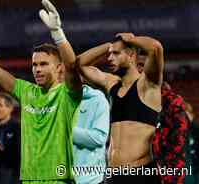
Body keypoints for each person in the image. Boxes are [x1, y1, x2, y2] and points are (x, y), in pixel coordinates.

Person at [0, 0, 83, 183]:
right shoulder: (26, 91)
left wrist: (58, 34)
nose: (37, 69)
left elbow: (73, 67)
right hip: (27, 180)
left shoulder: (68, 94)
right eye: (34, 65)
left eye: (43, 64)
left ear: (59, 68)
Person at [77, 33, 164, 183]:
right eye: (109, 54)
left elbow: (155, 48)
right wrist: (108, 46)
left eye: (116, 53)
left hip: (140, 174)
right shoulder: (112, 84)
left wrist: (131, 40)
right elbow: (79, 64)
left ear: (131, 55)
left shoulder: (148, 84)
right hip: (112, 175)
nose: (109, 58)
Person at [138, 52, 188, 184]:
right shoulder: (127, 100)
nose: (140, 70)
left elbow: (178, 145)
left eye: (143, 65)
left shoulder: (172, 101)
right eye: (137, 65)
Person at [72, 81, 110, 184]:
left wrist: (65, 130)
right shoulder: (51, 100)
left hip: (89, 180)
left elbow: (99, 138)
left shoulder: (97, 99)